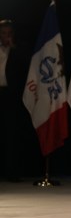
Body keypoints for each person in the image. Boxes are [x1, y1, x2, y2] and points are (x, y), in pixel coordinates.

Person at [0, 19, 33, 181]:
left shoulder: (20, 49)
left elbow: (26, 67)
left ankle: (12, 172)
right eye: (3, 33)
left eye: (9, 33)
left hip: (11, 95)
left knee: (12, 134)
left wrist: (14, 48)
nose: (7, 36)